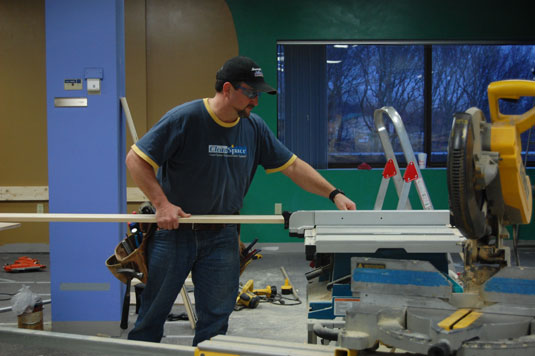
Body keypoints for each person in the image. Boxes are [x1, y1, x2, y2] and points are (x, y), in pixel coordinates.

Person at [126, 56, 356, 346]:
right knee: (151, 317)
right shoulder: (185, 118)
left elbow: (294, 167)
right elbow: (135, 159)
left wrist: (335, 194)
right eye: (250, 93)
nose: (255, 101)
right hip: (175, 233)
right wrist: (162, 204)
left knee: (217, 321)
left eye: (258, 94)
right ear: (227, 88)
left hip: (223, 235)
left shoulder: (254, 128)